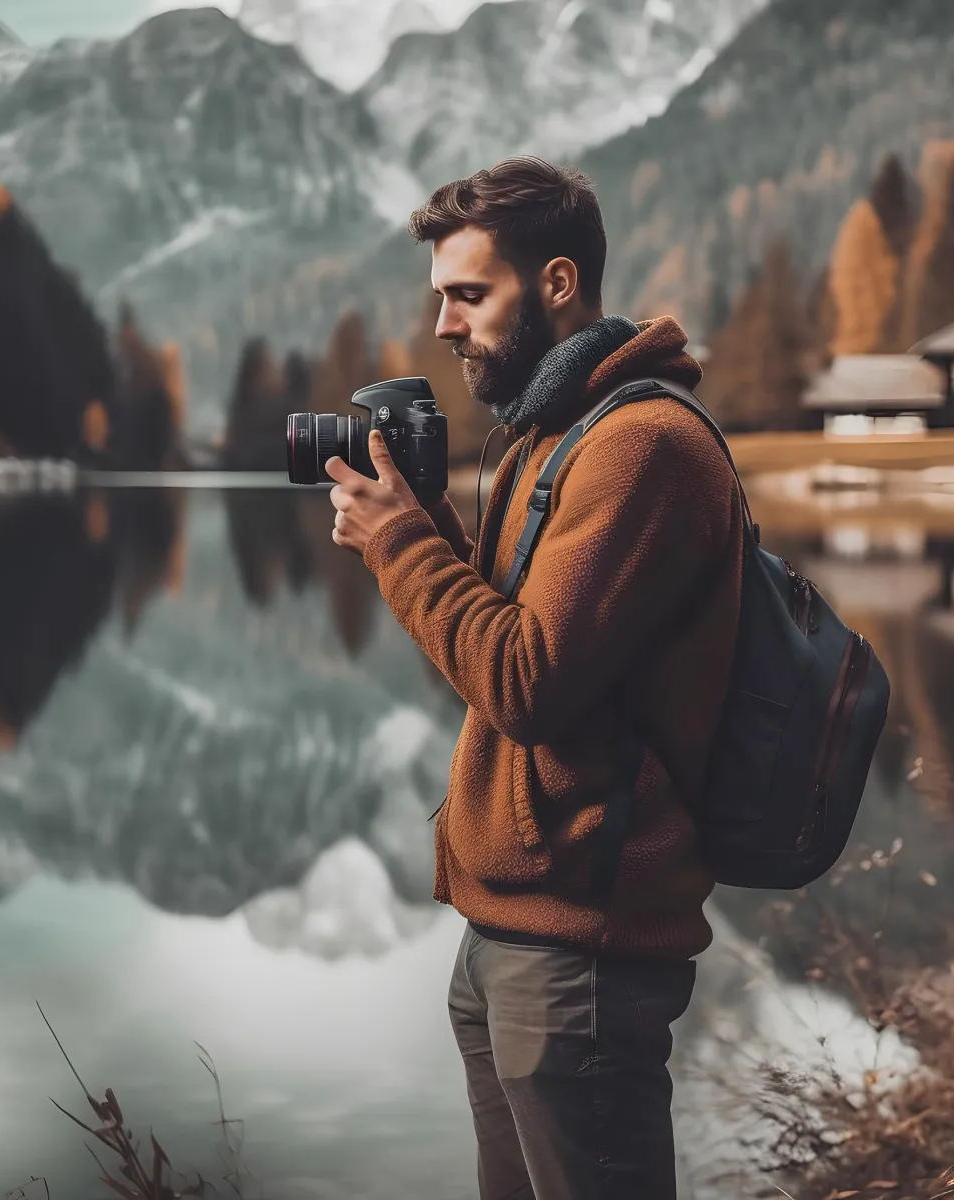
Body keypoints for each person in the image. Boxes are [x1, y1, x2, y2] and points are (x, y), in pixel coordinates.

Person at [324, 156, 745, 1199]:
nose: (443, 327)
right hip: (512, 934)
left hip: (581, 958)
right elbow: (512, 653)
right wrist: (427, 533)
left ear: (557, 283)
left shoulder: (641, 447)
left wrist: (399, 551)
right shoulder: (550, 438)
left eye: (469, 295)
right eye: (439, 299)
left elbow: (526, 682)